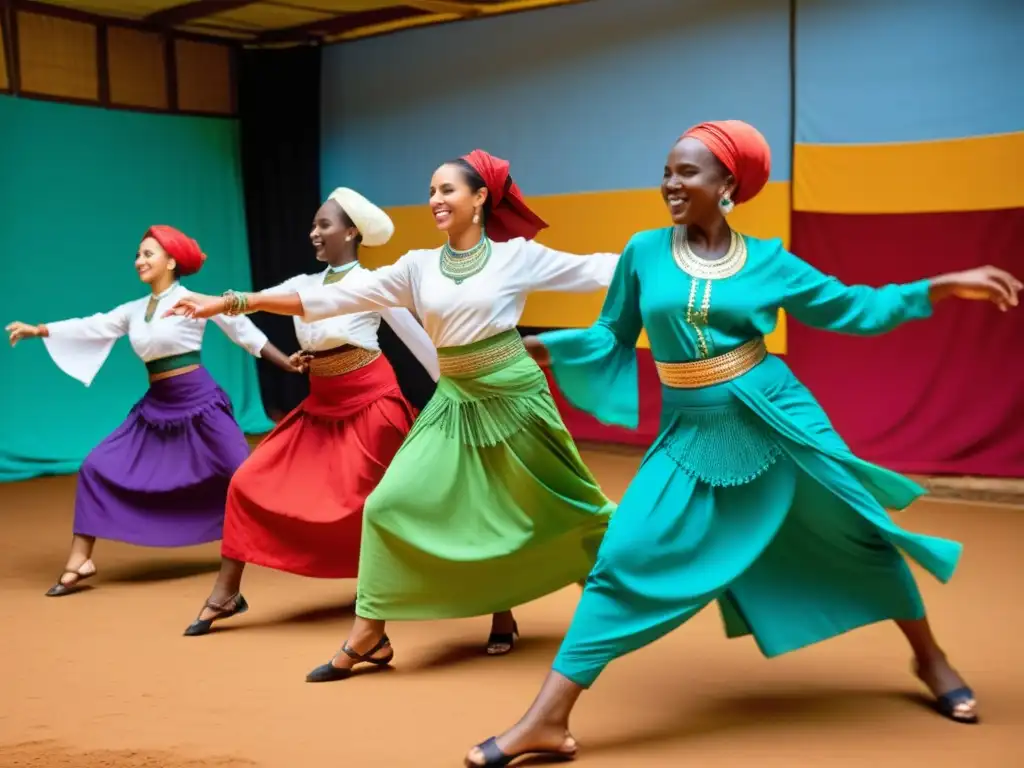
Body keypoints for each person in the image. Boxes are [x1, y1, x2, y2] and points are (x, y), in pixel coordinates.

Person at [463, 120, 1021, 766]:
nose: (670, 183)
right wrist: (545, 348)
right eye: (667, 170)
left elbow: (855, 308)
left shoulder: (769, 262)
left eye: (686, 172)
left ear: (726, 183)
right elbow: (610, 336)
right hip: (689, 434)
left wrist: (938, 287)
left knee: (861, 530)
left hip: (778, 421)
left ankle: (931, 660)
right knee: (622, 557)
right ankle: (545, 721)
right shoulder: (644, 252)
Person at [165, 149, 619, 678]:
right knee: (384, 506)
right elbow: (329, 299)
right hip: (454, 401)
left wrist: (672, 259)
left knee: (569, 506)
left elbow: (599, 270)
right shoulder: (417, 266)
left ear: (480, 199)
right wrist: (233, 302)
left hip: (514, 397)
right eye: (431, 191)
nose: (435, 200)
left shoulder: (516, 256)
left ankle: (626, 594)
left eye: (447, 190)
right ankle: (370, 637)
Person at [183, 188, 440, 636]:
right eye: (314, 224)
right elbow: (259, 298)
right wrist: (212, 302)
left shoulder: (373, 283)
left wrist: (456, 387)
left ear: (351, 232)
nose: (314, 232)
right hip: (320, 405)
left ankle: (448, 587)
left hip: (372, 404)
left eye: (324, 224)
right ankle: (227, 592)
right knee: (247, 481)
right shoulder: (303, 284)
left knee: (385, 502)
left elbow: (420, 342)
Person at [5, 225, 297, 597]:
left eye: (148, 254)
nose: (139, 260)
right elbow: (91, 325)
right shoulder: (133, 311)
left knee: (242, 472)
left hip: (200, 402)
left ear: (172, 261)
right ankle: (80, 559)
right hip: (156, 408)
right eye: (138, 255)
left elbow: (244, 330)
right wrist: (39, 330)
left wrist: (286, 362)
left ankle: (284, 538)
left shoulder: (196, 299)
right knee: (96, 466)